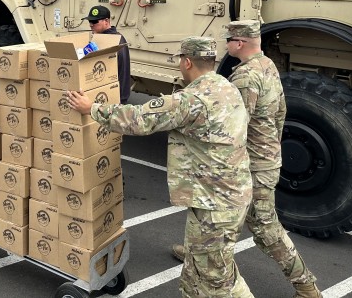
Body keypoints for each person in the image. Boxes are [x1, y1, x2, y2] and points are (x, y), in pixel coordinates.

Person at [67, 36, 253, 297]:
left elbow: (139, 119)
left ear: (187, 62)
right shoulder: (226, 86)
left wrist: (92, 108)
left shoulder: (190, 99)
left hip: (215, 205)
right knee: (200, 271)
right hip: (229, 196)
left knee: (217, 280)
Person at [173, 20, 321, 297]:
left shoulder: (244, 77)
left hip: (251, 163)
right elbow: (281, 113)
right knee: (211, 215)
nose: (226, 46)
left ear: (238, 43)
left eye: (228, 40)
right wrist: (272, 148)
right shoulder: (267, 66)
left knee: (265, 228)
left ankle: (306, 285)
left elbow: (232, 125)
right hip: (265, 159)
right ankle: (199, 257)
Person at [84, 5, 132, 103]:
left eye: (94, 22)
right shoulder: (117, 37)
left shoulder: (109, 40)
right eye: (89, 21)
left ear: (106, 21)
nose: (91, 25)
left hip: (114, 95)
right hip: (117, 93)